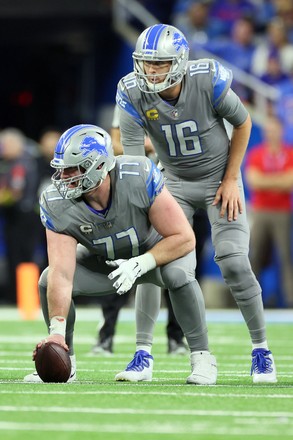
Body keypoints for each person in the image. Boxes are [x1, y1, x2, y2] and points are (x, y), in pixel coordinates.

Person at [115, 23, 277, 384]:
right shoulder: (131, 91)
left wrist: (232, 177)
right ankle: (143, 353)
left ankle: (262, 350)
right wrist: (142, 202)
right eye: (145, 63)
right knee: (152, 263)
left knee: (234, 263)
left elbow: (244, 122)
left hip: (219, 181)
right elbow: (132, 160)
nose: (150, 70)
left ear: (181, 61)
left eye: (159, 63)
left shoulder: (206, 79)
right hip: (171, 183)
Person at [24, 123, 217, 385]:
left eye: (72, 168)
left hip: (155, 256)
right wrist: (55, 333)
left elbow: (184, 238)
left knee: (179, 274)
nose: (64, 177)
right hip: (107, 263)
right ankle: (65, 361)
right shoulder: (56, 201)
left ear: (99, 165)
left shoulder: (137, 175)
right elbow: (62, 271)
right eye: (61, 169)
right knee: (48, 278)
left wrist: (142, 262)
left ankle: (202, 357)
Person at [91, 105, 188, 356]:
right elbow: (113, 147)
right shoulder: (129, 100)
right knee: (118, 261)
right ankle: (105, 336)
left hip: (172, 189)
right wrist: (149, 145)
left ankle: (176, 338)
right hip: (133, 193)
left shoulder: (180, 102)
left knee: (175, 267)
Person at [245, 115, 293, 307]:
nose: (271, 133)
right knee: (255, 255)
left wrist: (267, 181)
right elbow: (253, 181)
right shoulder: (256, 153)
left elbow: (290, 183)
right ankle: (252, 299)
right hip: (261, 211)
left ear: (281, 131)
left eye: (274, 129)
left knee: (285, 256)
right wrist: (279, 181)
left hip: (282, 212)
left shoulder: (289, 153)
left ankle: (290, 300)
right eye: (268, 129)